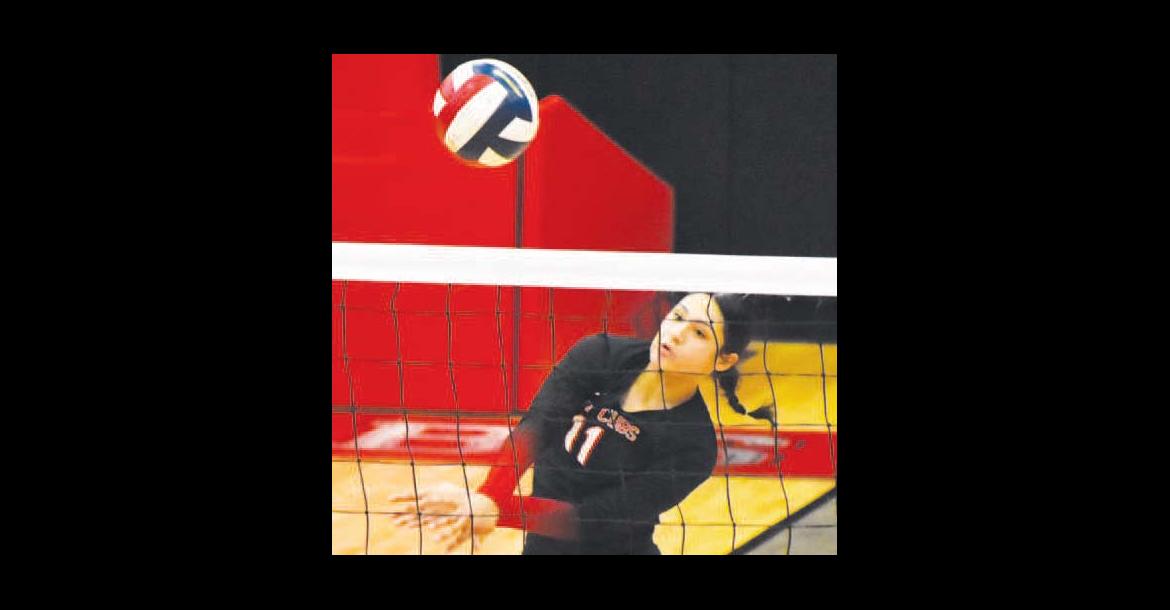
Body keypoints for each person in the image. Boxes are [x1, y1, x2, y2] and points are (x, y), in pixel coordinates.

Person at [388, 292, 757, 554]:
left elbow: (594, 519)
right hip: (542, 545)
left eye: (699, 333)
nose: (675, 333)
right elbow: (539, 425)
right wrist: (489, 494)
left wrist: (496, 510)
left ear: (723, 361)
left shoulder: (693, 447)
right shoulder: (599, 354)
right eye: (677, 316)